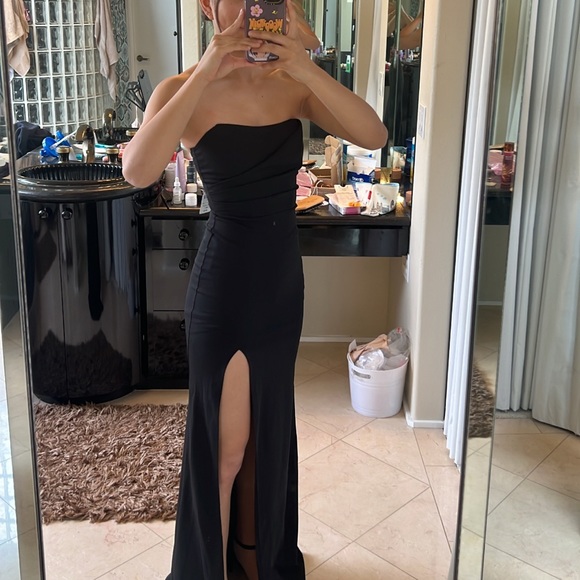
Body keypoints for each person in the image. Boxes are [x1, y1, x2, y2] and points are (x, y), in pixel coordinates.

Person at [122, 1, 386, 578]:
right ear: (208, 6)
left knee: (266, 439)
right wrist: (209, 66)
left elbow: (374, 133)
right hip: (225, 287)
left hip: (281, 286)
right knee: (226, 451)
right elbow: (138, 171)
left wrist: (305, 63)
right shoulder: (181, 88)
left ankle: (255, 557)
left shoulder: (293, 85)